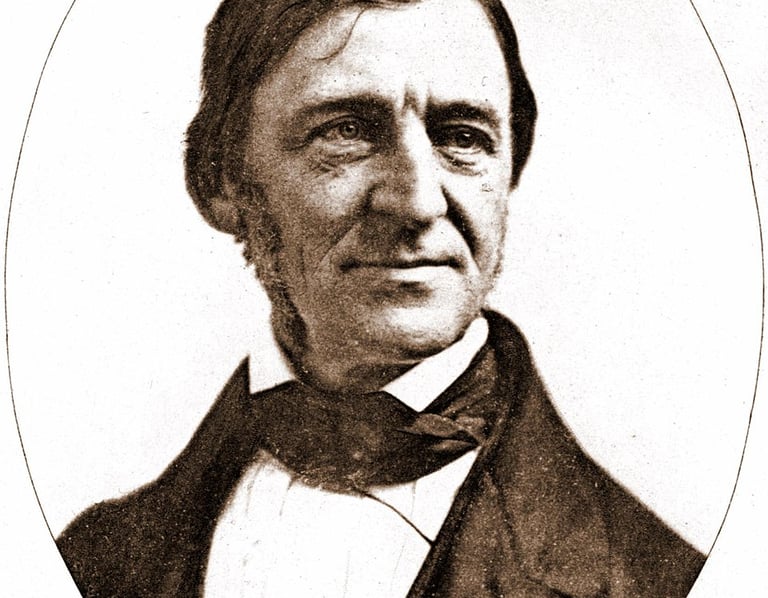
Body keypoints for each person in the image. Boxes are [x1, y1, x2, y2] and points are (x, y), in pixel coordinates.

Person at [57, 0, 706, 596]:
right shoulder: (90, 563)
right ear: (220, 181)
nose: (418, 202)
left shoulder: (659, 583)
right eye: (347, 131)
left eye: (463, 137)